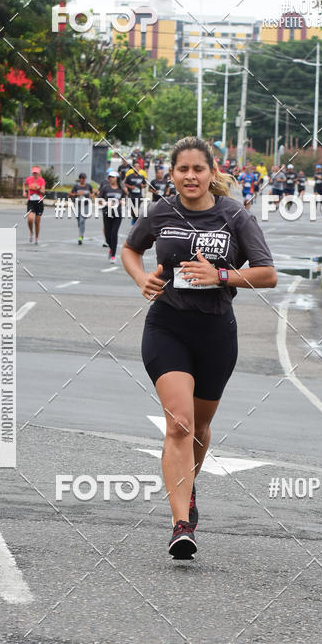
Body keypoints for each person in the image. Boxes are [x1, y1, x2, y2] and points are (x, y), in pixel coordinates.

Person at [121, 136, 277, 559]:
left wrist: (222, 278)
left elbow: (267, 274)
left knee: (201, 428)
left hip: (216, 333)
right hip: (167, 326)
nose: (190, 176)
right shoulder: (161, 211)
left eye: (198, 169)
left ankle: (186, 489)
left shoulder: (234, 216)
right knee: (180, 425)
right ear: (171, 174)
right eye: (182, 170)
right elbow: (131, 250)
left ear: (212, 172)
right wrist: (142, 279)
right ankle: (180, 525)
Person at [97, 170, 125, 261]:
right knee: (108, 234)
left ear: (117, 178)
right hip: (107, 212)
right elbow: (99, 200)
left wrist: (120, 202)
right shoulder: (105, 188)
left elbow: (124, 201)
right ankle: (111, 247)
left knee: (114, 233)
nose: (111, 179)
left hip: (117, 214)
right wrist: (106, 203)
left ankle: (113, 255)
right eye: (110, 177)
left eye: (113, 177)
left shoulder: (121, 189)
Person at [23, 165, 46, 244]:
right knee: (30, 219)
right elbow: (24, 184)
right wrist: (24, 191)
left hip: (39, 202)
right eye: (34, 173)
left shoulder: (41, 180)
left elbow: (43, 191)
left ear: (39, 173)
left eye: (36, 173)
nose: (35, 174)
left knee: (37, 222)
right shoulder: (29, 179)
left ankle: (36, 237)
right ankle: (31, 232)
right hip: (31, 202)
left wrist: (38, 188)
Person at [70, 173, 94, 245]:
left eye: (84, 178)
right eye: (81, 178)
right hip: (77, 205)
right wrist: (77, 194)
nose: (83, 180)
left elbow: (92, 194)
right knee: (79, 220)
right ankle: (81, 229)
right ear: (79, 179)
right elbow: (70, 194)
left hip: (86, 205)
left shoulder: (88, 186)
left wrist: (89, 195)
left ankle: (80, 236)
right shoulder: (76, 186)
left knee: (82, 221)